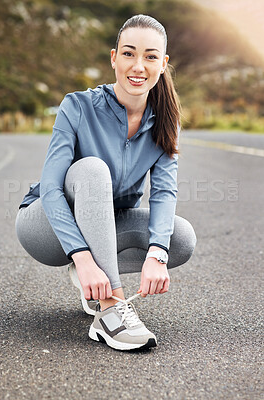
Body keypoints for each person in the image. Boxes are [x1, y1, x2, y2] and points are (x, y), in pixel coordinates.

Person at [15, 14, 197, 351]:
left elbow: (164, 191)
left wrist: (157, 254)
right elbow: (52, 188)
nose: (138, 66)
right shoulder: (78, 106)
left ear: (163, 63)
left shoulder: (165, 120)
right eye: (128, 54)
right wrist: (83, 259)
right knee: (93, 170)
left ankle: (99, 281)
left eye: (150, 56)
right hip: (45, 226)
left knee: (180, 238)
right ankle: (110, 308)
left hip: (105, 224)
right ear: (114, 58)